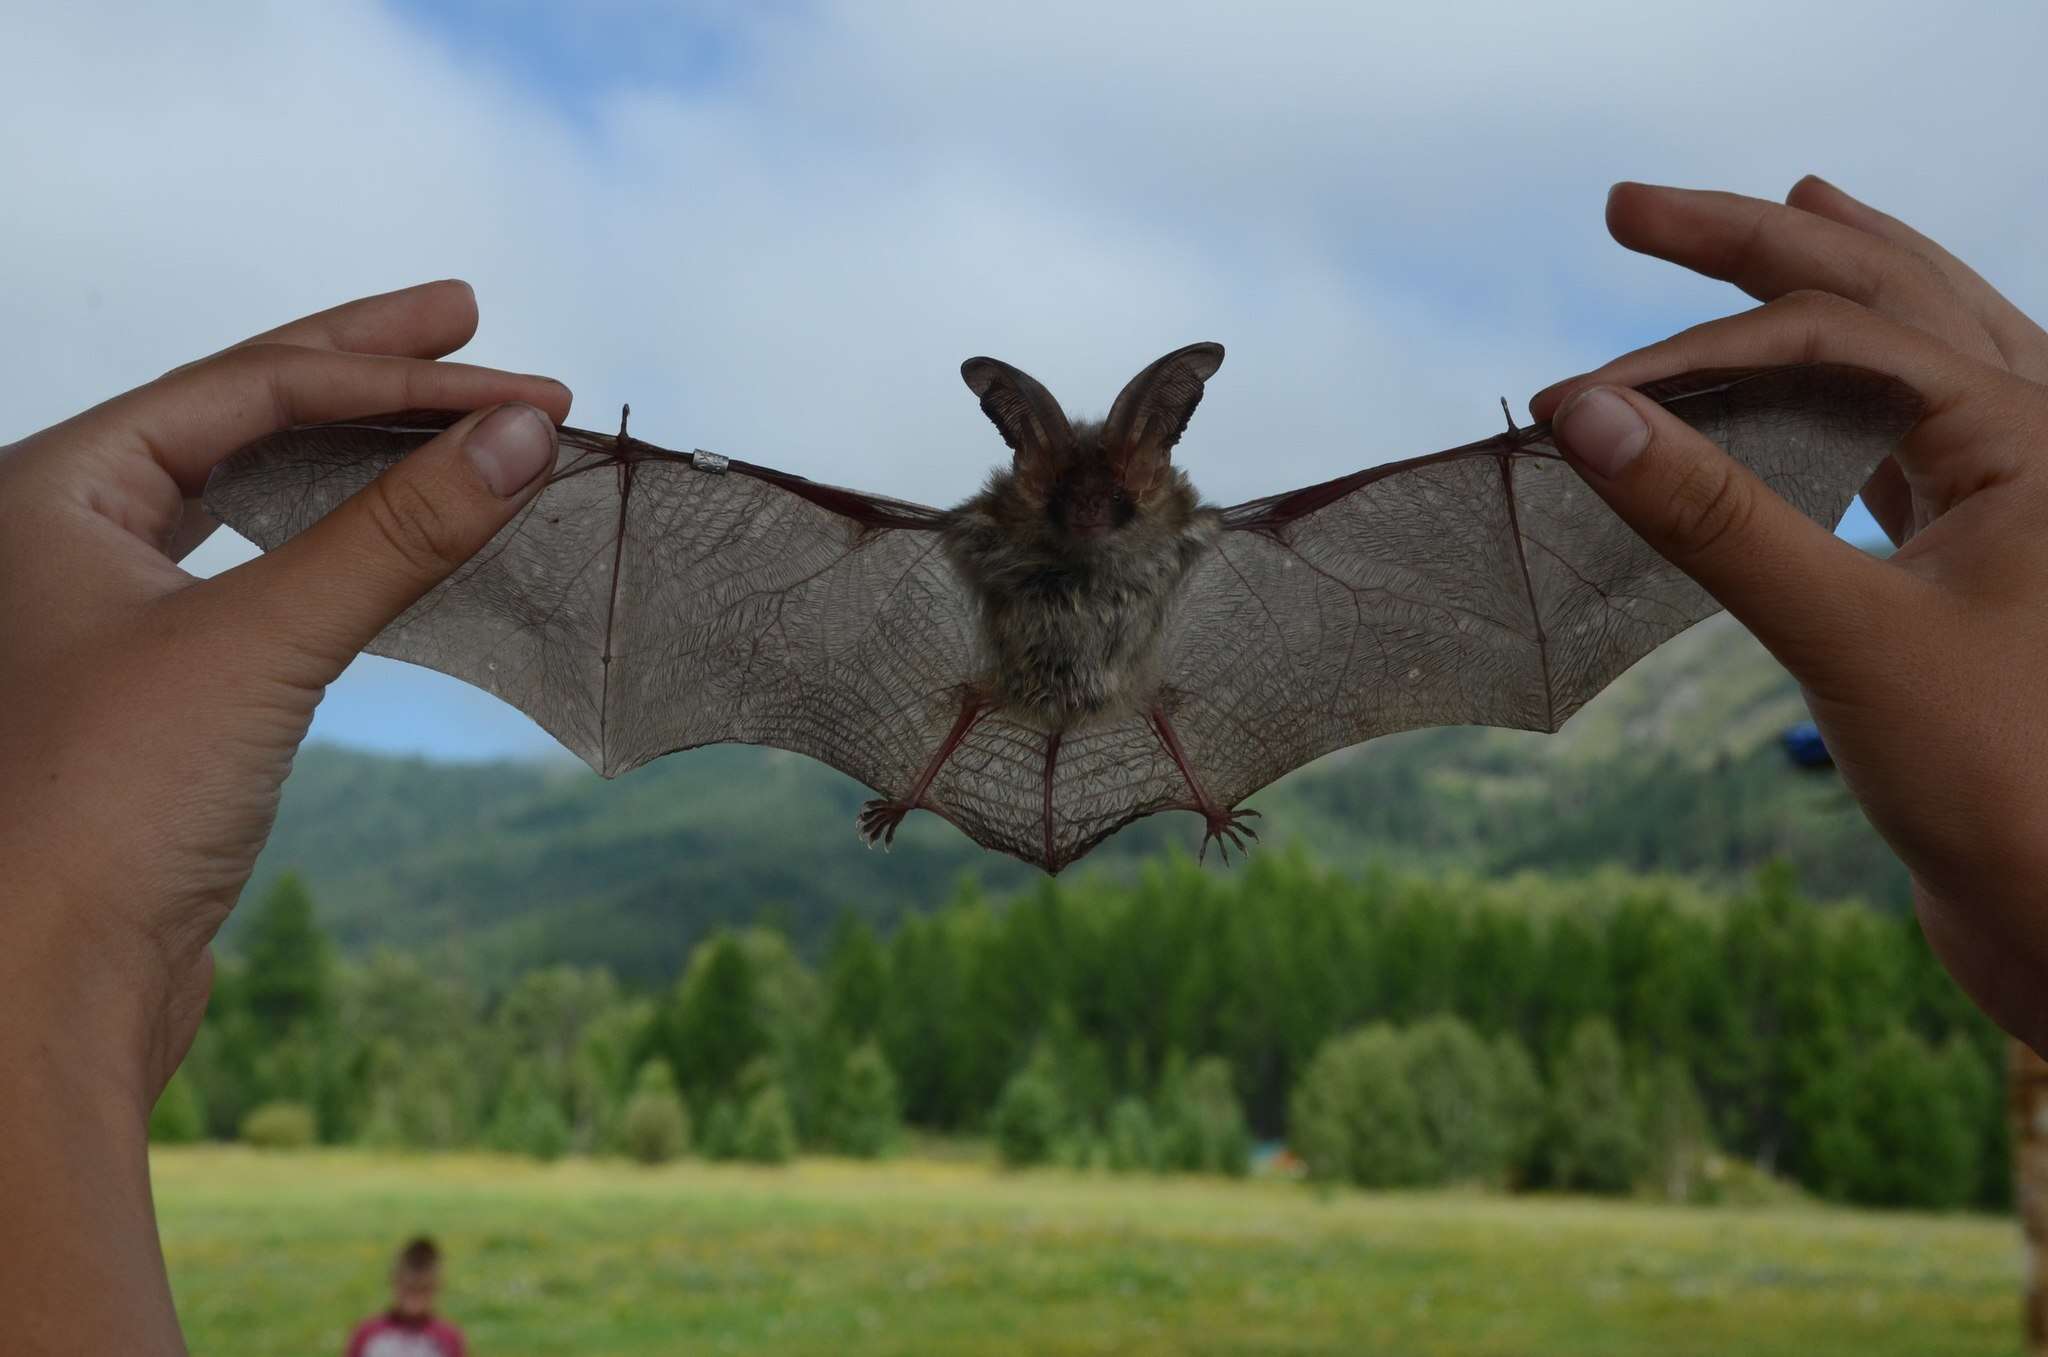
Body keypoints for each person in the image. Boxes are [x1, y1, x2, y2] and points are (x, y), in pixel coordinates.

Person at [0, 176, 2043, 1351]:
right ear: (1017, 468)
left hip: (1149, 708)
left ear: (1149, 478)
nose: (1078, 507)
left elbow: (1157, 584)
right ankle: (987, 762)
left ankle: (1102, 763)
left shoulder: (1227, 549)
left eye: (1109, 483)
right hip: (983, 704)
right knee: (763, 558)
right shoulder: (947, 546)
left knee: (1210, 663)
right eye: (1049, 476)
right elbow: (1004, 577)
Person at [345, 1237, 468, 1357]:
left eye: (423, 1290)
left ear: (436, 1287)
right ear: (394, 1282)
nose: (414, 1302)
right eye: (408, 1289)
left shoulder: (448, 1338)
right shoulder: (367, 1334)